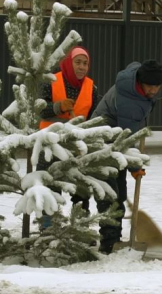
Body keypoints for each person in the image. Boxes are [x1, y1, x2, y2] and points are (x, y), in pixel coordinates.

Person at [91, 59, 162, 254]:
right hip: (102, 145)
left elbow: (135, 63)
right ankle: (109, 242)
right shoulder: (129, 102)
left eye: (157, 86)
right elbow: (126, 138)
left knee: (119, 193)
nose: (154, 91)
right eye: (151, 86)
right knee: (110, 195)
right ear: (140, 82)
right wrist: (134, 166)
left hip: (115, 145)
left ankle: (115, 239)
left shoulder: (134, 82)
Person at [38, 46, 99, 226]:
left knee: (80, 189)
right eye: (78, 62)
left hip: (77, 146)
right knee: (51, 187)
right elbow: (40, 110)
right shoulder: (52, 81)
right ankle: (48, 229)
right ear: (68, 63)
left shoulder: (91, 87)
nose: (82, 67)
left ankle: (80, 228)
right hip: (50, 144)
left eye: (85, 63)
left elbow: (93, 118)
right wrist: (59, 107)